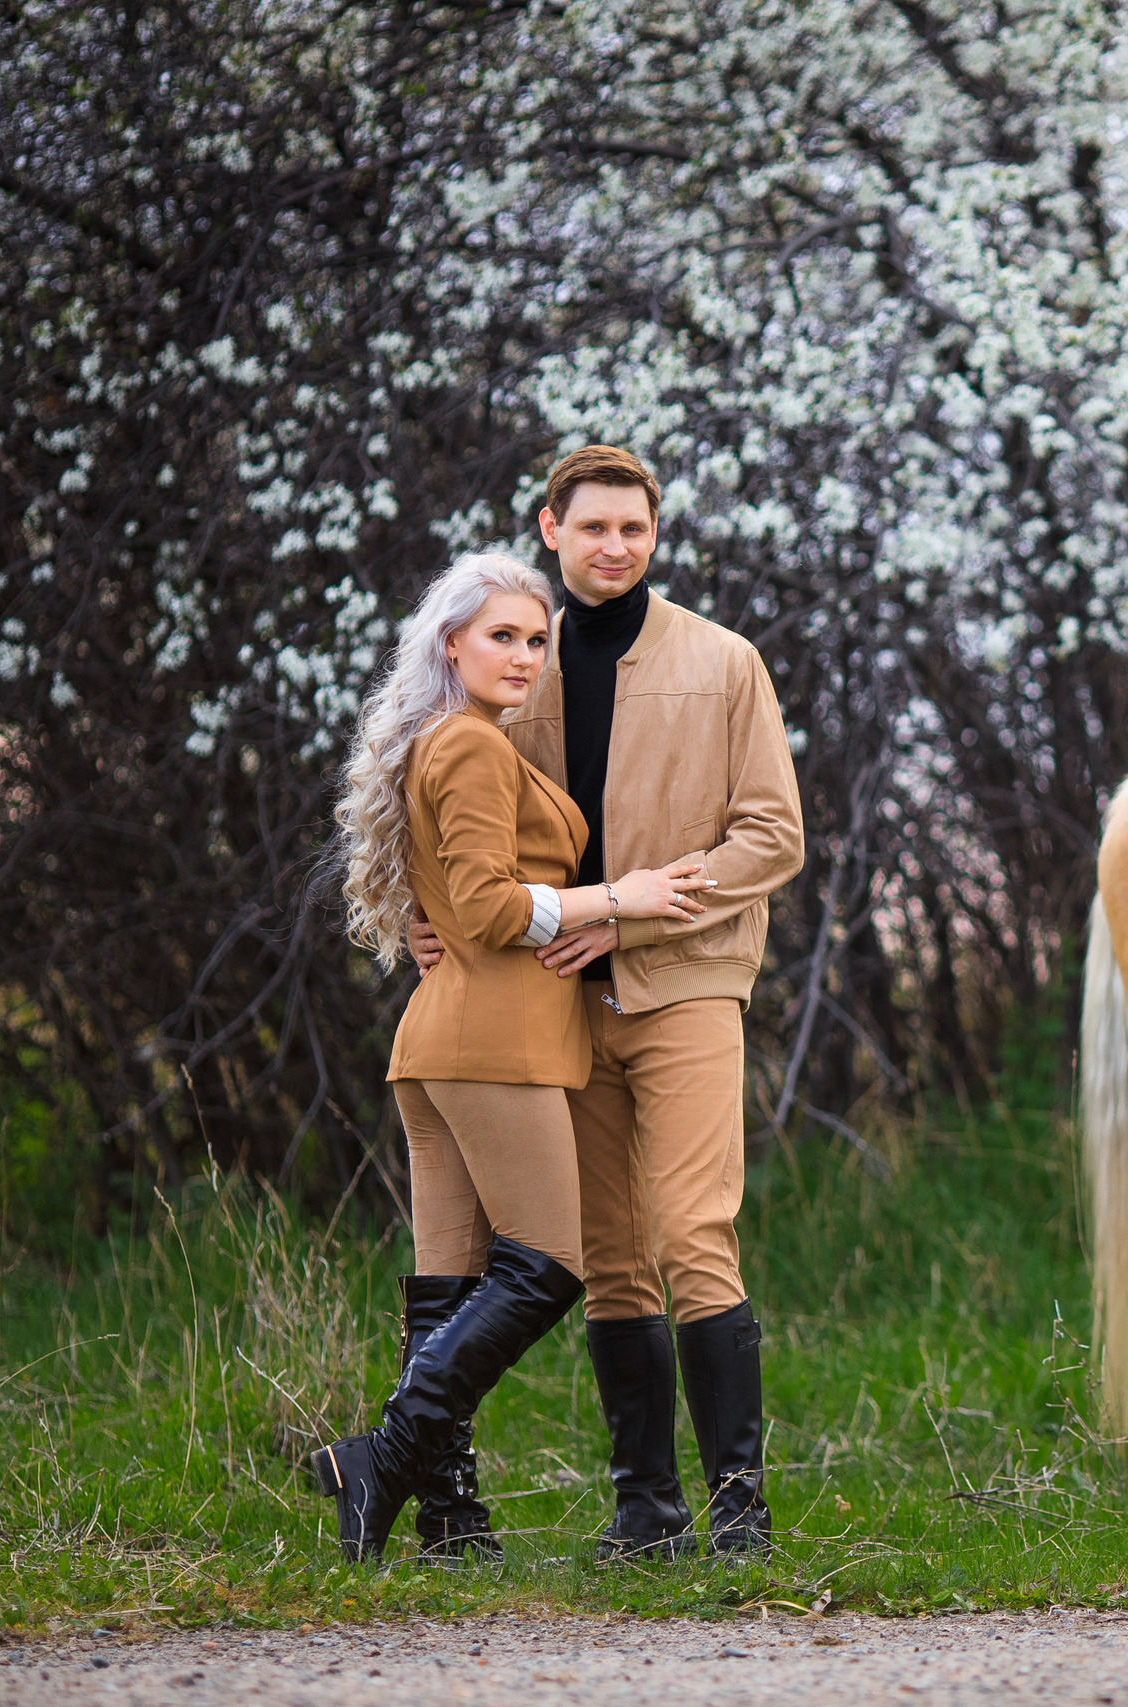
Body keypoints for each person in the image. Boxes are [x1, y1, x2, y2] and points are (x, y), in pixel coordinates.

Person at [411, 445, 805, 1556]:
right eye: (592, 528)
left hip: (684, 986)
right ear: (551, 530)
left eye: (634, 528)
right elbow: (457, 819)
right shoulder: (515, 669)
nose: (614, 547)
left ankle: (741, 1517)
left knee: (695, 1235)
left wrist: (621, 917)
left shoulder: (723, 665)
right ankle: (646, 1516)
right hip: (552, 1005)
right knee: (611, 1254)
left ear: (655, 533)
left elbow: (773, 836)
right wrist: (423, 909)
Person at [325, 550, 709, 1563]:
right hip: (497, 1044)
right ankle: (384, 1453)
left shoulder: (443, 742)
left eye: (537, 640)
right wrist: (619, 898)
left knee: (445, 1286)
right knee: (547, 1265)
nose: (526, 655)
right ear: (450, 643)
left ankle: (450, 1523)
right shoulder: (473, 748)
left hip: (442, 1044)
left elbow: (453, 896)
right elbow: (496, 910)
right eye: (502, 636)